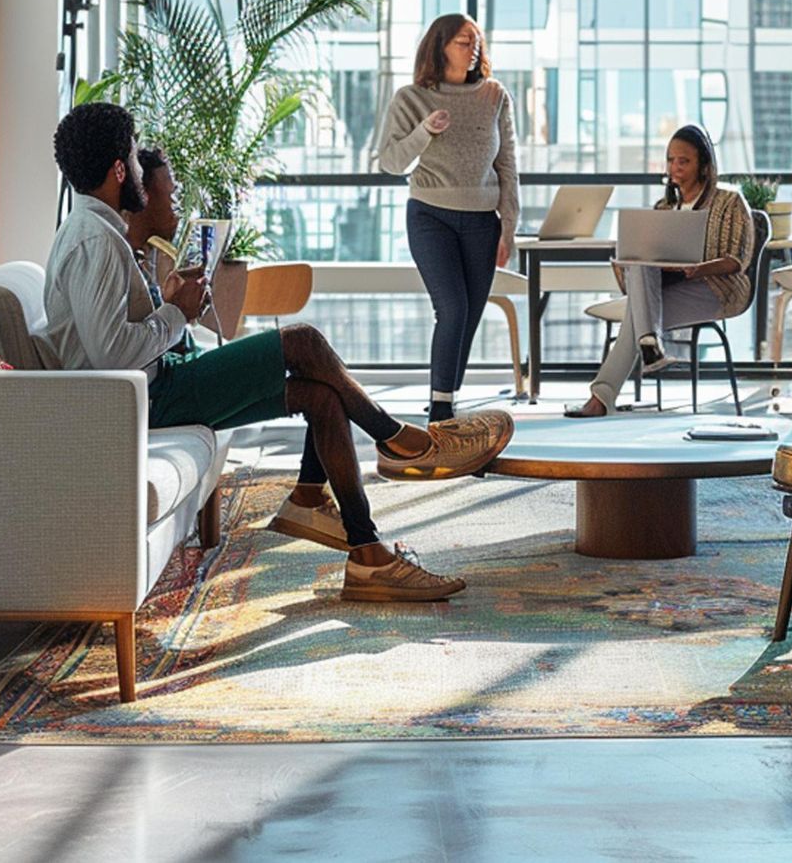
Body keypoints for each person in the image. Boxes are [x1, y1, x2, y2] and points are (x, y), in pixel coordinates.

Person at [37, 103, 515, 603]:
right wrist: (176, 311)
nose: (138, 169)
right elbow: (114, 355)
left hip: (156, 386)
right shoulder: (94, 239)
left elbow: (118, 337)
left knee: (318, 397)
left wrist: (173, 304)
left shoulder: (101, 233)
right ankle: (401, 441)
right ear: (118, 170)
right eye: (133, 159)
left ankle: (361, 549)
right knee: (302, 340)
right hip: (146, 401)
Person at [378, 14, 519, 424]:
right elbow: (390, 161)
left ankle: (447, 393)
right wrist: (424, 131)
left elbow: (507, 163)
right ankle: (441, 407)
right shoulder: (411, 97)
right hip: (430, 215)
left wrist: (508, 225)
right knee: (453, 308)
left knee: (471, 314)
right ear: (440, 46)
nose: (472, 49)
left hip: (482, 220)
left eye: (476, 42)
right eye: (462, 41)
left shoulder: (495, 96)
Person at [566, 124, 754, 418]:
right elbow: (648, 261)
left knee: (637, 317)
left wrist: (698, 268)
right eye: (670, 160)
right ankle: (649, 345)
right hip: (667, 285)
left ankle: (604, 395)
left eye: (684, 161)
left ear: (704, 166)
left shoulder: (730, 202)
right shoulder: (664, 207)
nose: (675, 167)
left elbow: (737, 260)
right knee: (640, 262)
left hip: (718, 288)